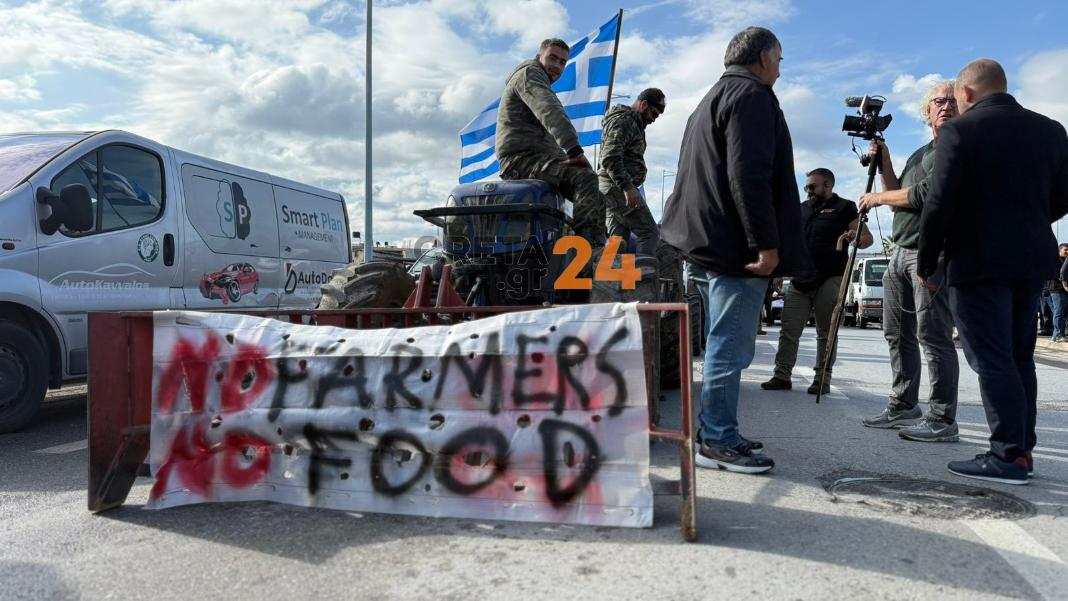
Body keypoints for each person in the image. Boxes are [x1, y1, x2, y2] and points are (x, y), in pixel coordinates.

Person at [661, 27, 812, 474]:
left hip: (701, 244)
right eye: (780, 61)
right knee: (729, 348)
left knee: (716, 346)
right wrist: (766, 244)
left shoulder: (709, 99)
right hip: (735, 250)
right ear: (764, 58)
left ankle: (716, 429)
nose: (781, 71)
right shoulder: (754, 96)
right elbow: (749, 175)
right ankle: (717, 441)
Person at [917, 59, 1068, 484]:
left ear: (965, 93)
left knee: (991, 358)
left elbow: (940, 202)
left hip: (977, 259)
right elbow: (1062, 196)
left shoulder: (960, 131)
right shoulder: (1051, 130)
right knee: (1021, 357)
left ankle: (1006, 456)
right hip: (1031, 258)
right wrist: (1028, 221)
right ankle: (1022, 449)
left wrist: (929, 260)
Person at [857, 80, 961, 443]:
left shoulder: (957, 146)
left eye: (952, 101)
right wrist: (884, 163)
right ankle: (903, 404)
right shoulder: (921, 153)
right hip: (899, 250)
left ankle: (942, 417)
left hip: (930, 253)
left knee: (933, 337)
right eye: (938, 101)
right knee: (896, 334)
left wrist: (877, 199)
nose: (945, 106)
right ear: (927, 111)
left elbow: (923, 194)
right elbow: (898, 188)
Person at [762, 168, 871, 395]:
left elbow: (867, 239)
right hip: (800, 280)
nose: (808, 190)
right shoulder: (799, 210)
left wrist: (855, 238)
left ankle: (822, 379)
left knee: (826, 332)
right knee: (789, 330)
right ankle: (782, 376)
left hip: (830, 278)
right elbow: (786, 243)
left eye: (812, 186)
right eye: (806, 186)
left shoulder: (845, 207)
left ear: (828, 185)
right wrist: (778, 272)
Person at [496, 38, 608, 248]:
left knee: (598, 198)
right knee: (585, 179)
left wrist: (566, 158)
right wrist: (574, 150)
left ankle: (595, 247)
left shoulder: (535, 78)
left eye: (563, 62)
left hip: (536, 157)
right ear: (539, 56)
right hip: (521, 160)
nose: (557, 66)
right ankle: (586, 251)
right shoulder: (530, 74)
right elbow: (550, 111)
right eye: (552, 58)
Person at [599, 88, 666, 257]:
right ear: (643, 104)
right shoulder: (626, 121)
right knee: (649, 233)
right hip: (617, 188)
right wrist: (628, 187)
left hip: (612, 188)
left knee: (618, 241)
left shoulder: (633, 123)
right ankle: (642, 282)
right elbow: (609, 157)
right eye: (653, 113)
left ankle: (611, 282)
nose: (653, 119)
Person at [1051, 243, 1068, 341]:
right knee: (1059, 312)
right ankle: (1059, 334)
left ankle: (1055, 334)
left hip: (1064, 289)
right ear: (1060, 250)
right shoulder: (1056, 261)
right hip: (1057, 289)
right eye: (1065, 249)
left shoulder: (1066, 260)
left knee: (1063, 313)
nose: (1067, 252)